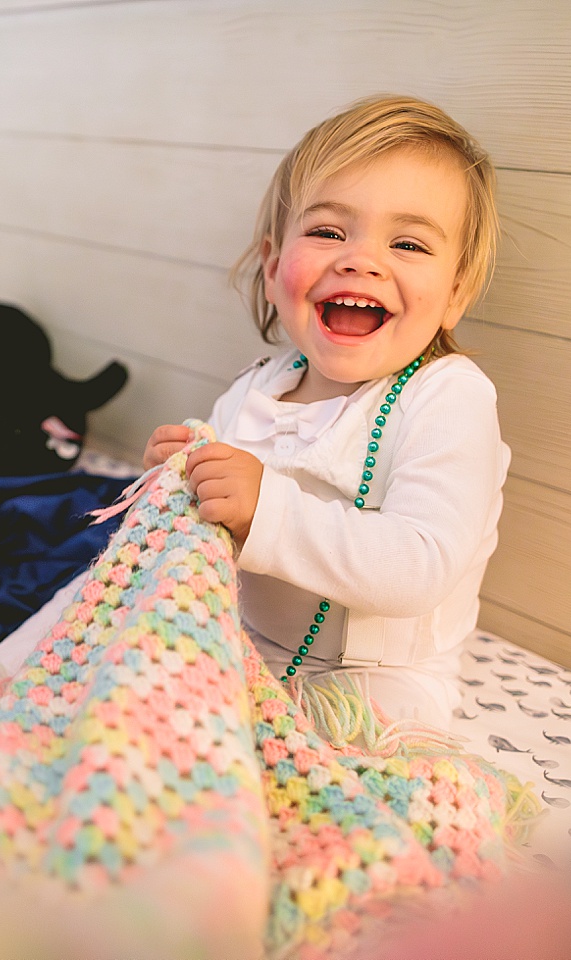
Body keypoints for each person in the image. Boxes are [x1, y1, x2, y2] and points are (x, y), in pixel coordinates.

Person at [140, 94, 506, 729]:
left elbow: (419, 565)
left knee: (336, 773)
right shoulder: (256, 390)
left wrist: (265, 508)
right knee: (132, 699)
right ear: (275, 262)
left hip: (380, 682)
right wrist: (171, 488)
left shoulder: (447, 396)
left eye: (409, 244)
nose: (361, 259)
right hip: (238, 642)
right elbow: (197, 532)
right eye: (328, 232)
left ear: (455, 293)